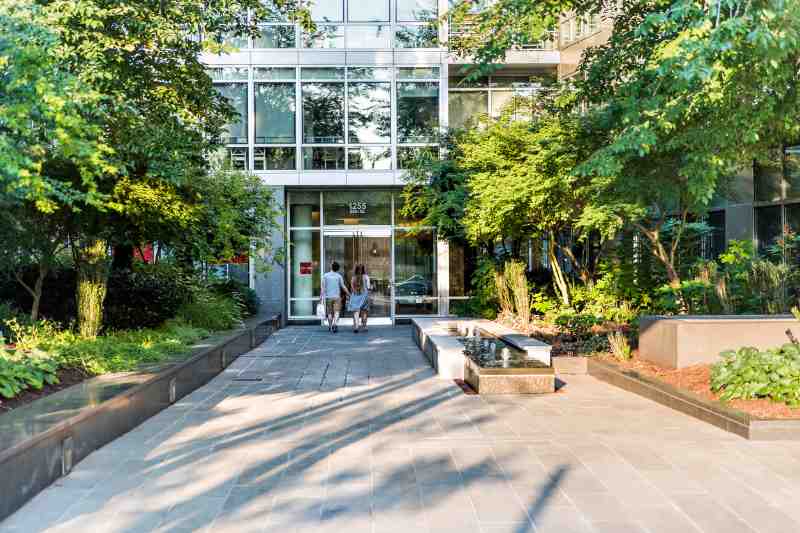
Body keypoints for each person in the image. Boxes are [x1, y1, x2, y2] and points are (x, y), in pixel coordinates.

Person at [321, 261, 349, 333]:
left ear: (331, 267)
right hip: (337, 297)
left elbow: (323, 288)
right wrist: (348, 293)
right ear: (338, 269)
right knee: (336, 312)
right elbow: (343, 286)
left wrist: (321, 296)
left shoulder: (325, 275)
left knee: (330, 313)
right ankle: (335, 324)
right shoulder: (339, 276)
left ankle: (330, 327)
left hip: (328, 297)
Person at [348, 264, 369, 333]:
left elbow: (351, 287)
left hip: (355, 295)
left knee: (356, 312)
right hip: (364, 295)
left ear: (356, 270)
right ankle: (365, 326)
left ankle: (356, 326)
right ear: (363, 269)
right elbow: (368, 287)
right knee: (364, 311)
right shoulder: (366, 277)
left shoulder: (353, 277)